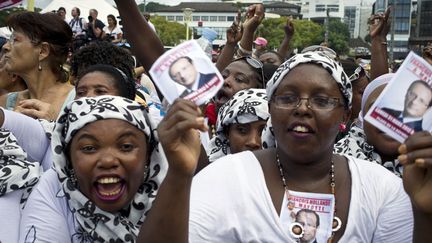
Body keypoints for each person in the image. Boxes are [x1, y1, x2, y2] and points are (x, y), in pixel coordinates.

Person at [184, 52, 412, 242]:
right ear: (271, 108)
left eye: (322, 101)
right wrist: (177, 176)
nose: (303, 109)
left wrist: (424, 214)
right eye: (287, 98)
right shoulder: (224, 178)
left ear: (345, 113)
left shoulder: (384, 189)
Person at [18, 95, 198, 242]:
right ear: (68, 161)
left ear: (149, 158)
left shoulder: (174, 194)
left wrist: (179, 174)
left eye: (126, 146)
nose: (108, 160)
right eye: (89, 148)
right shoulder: (55, 188)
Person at [0, 11, 73, 120]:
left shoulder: (77, 101)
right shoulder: (5, 103)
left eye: (15, 40)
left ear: (43, 51)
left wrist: (53, 124)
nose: (6, 46)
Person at [334, 73, 405, 177]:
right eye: (379, 110)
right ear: (363, 118)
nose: (390, 120)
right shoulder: (334, 162)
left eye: (401, 110)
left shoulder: (426, 166)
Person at [208, 88, 269, 162]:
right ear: (227, 132)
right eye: (242, 130)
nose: (253, 142)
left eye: (264, 132)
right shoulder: (210, 171)